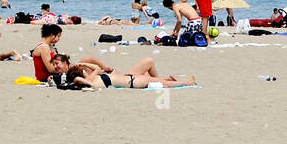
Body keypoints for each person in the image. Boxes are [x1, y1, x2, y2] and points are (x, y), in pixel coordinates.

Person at [57, 54, 194, 89]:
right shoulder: (88, 81)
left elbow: (97, 69)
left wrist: (81, 64)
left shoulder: (92, 78)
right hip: (133, 82)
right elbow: (91, 74)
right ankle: (187, 82)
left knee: (157, 76)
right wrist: (79, 76)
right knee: (163, 84)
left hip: (128, 78)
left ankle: (170, 80)